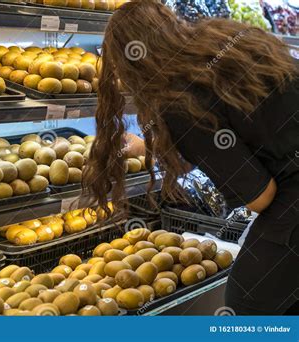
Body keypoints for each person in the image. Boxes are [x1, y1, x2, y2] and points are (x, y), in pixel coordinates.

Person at [83, 0, 298, 315]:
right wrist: (153, 146)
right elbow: (237, 124)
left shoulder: (180, 100)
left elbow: (262, 197)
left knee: (248, 300)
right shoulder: (223, 38)